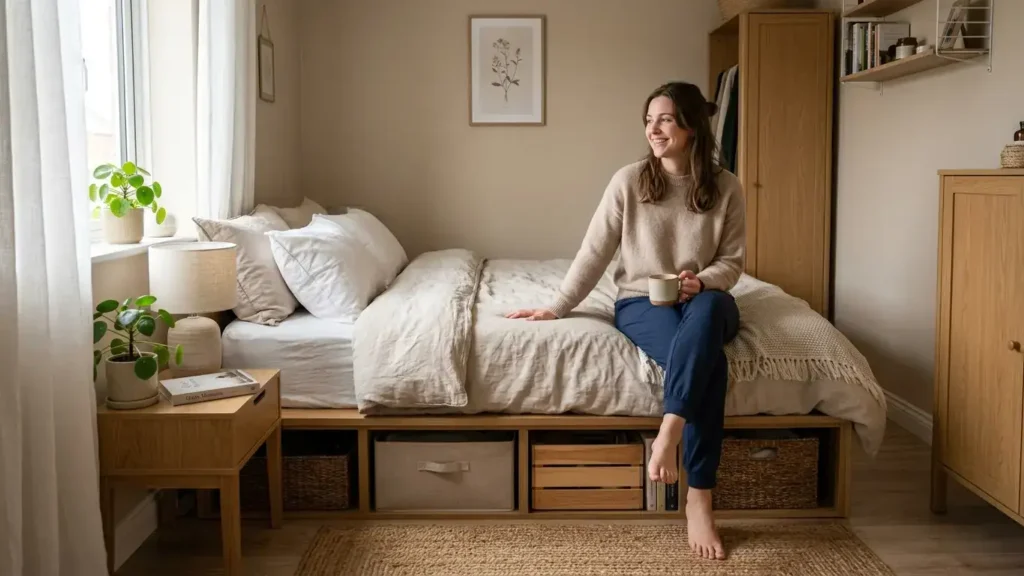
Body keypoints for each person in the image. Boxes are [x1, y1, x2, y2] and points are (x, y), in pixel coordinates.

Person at [506, 81, 745, 560]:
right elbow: (594, 252)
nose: (653, 130)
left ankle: (667, 433)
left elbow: (733, 262)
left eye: (665, 119)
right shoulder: (630, 181)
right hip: (642, 303)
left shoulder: (726, 186)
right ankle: (700, 498)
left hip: (702, 297)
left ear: (692, 125)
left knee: (714, 308)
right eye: (649, 120)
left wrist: (704, 280)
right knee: (709, 366)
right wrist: (557, 305)